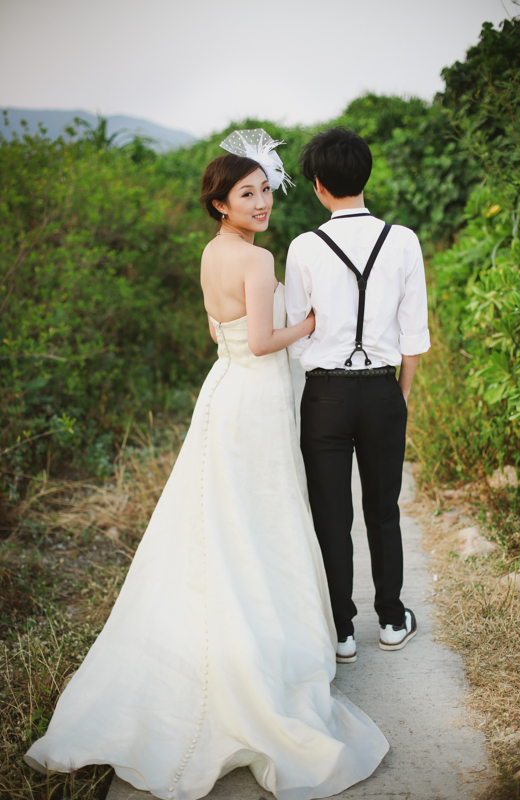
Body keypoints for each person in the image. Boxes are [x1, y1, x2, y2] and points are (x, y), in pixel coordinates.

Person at [25, 129, 388, 800]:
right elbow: (259, 340)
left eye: (263, 192)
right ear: (219, 203)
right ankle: (258, 656)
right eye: (244, 194)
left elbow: (215, 332)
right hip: (252, 394)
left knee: (219, 520)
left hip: (220, 390)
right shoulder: (256, 260)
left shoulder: (211, 254)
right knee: (258, 518)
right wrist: (303, 326)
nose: (261, 203)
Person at [285, 127, 430, 665]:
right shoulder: (404, 240)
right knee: (383, 509)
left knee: (331, 513)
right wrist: (400, 394)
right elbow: (414, 335)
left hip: (324, 396)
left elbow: (298, 326)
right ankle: (392, 619)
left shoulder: (303, 247)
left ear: (319, 185)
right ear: (365, 174)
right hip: (383, 390)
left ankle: (342, 630)